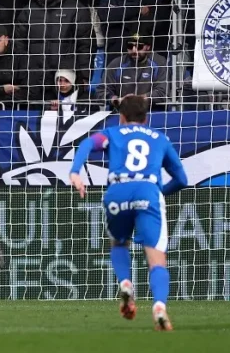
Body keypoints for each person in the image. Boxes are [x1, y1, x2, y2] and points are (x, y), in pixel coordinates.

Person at [69, 95, 188, 331]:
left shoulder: (112, 133)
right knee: (156, 259)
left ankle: (125, 282)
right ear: (146, 117)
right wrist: (158, 192)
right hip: (147, 191)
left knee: (119, 243)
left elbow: (87, 144)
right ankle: (159, 307)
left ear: (121, 116)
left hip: (117, 192)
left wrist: (75, 172)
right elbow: (182, 179)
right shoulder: (159, 138)